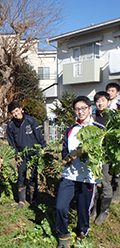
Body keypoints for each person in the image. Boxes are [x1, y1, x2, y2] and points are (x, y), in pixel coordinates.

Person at [55, 96, 103, 248]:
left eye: (83, 108)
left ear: (90, 109)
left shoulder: (99, 130)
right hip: (69, 175)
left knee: (83, 210)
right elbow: (64, 150)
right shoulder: (71, 130)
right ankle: (63, 235)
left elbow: (104, 153)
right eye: (77, 109)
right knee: (60, 206)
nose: (80, 111)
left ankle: (82, 232)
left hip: (87, 177)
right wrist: (66, 158)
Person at [6, 100, 46, 208]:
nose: (16, 113)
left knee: (33, 175)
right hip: (21, 154)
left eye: (17, 110)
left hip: (34, 153)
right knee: (21, 175)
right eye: (13, 112)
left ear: (21, 109)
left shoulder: (31, 121)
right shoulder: (10, 126)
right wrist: (16, 154)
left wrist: (43, 148)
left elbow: (39, 136)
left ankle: (33, 199)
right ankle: (21, 200)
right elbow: (11, 142)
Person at [90, 91, 113, 225]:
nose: (100, 103)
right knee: (92, 182)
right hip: (94, 155)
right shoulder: (92, 118)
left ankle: (104, 211)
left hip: (107, 155)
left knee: (105, 181)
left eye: (103, 100)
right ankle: (92, 209)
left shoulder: (113, 118)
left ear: (108, 102)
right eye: (97, 100)